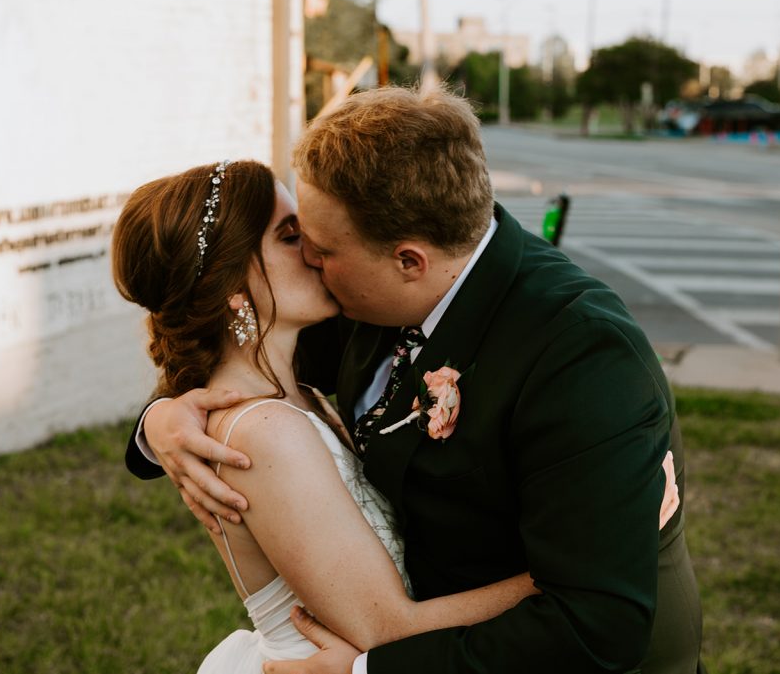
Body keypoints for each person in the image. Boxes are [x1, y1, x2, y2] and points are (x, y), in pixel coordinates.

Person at [127, 86, 703, 674]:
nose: (312, 262)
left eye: (320, 246)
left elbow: (594, 623)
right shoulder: (358, 299)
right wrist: (163, 420)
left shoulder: (578, 354)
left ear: (408, 260)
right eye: (295, 237)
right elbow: (232, 349)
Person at [111, 159, 557, 673]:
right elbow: (386, 628)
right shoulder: (264, 431)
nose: (314, 250)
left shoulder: (294, 389)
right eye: (288, 235)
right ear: (233, 285)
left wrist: (159, 415)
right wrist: (563, 574)